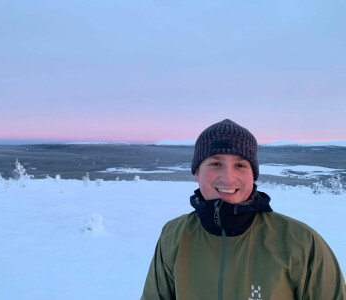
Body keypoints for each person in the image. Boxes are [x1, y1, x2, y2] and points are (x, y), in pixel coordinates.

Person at [141, 119, 346, 300]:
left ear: (253, 174)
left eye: (240, 165)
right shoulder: (174, 235)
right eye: (215, 163)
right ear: (197, 173)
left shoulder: (300, 242)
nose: (228, 178)